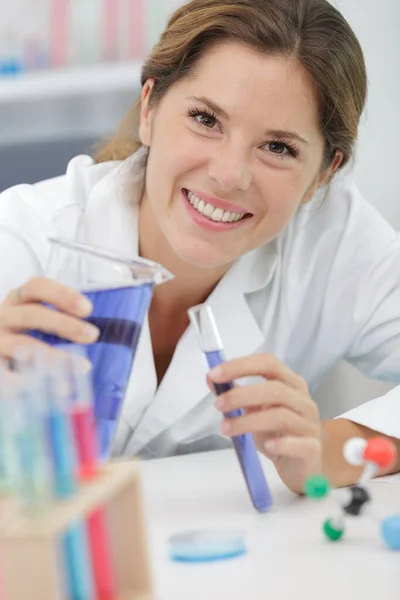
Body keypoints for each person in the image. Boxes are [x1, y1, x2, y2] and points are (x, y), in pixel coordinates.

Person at [0, 0, 399, 495]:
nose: (228, 175)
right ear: (149, 109)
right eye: (205, 119)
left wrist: (333, 450)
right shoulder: (23, 237)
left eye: (279, 148)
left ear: (323, 174)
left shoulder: (336, 242)